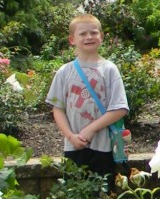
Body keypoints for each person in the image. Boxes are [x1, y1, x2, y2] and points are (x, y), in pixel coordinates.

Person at [46, 14, 129, 188]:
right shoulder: (64, 71)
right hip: (74, 146)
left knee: (104, 195)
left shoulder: (109, 70)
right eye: (83, 34)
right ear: (72, 39)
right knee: (75, 196)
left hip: (103, 146)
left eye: (93, 32)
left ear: (102, 36)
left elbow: (120, 108)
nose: (89, 37)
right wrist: (71, 136)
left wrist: (91, 129)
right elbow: (58, 108)